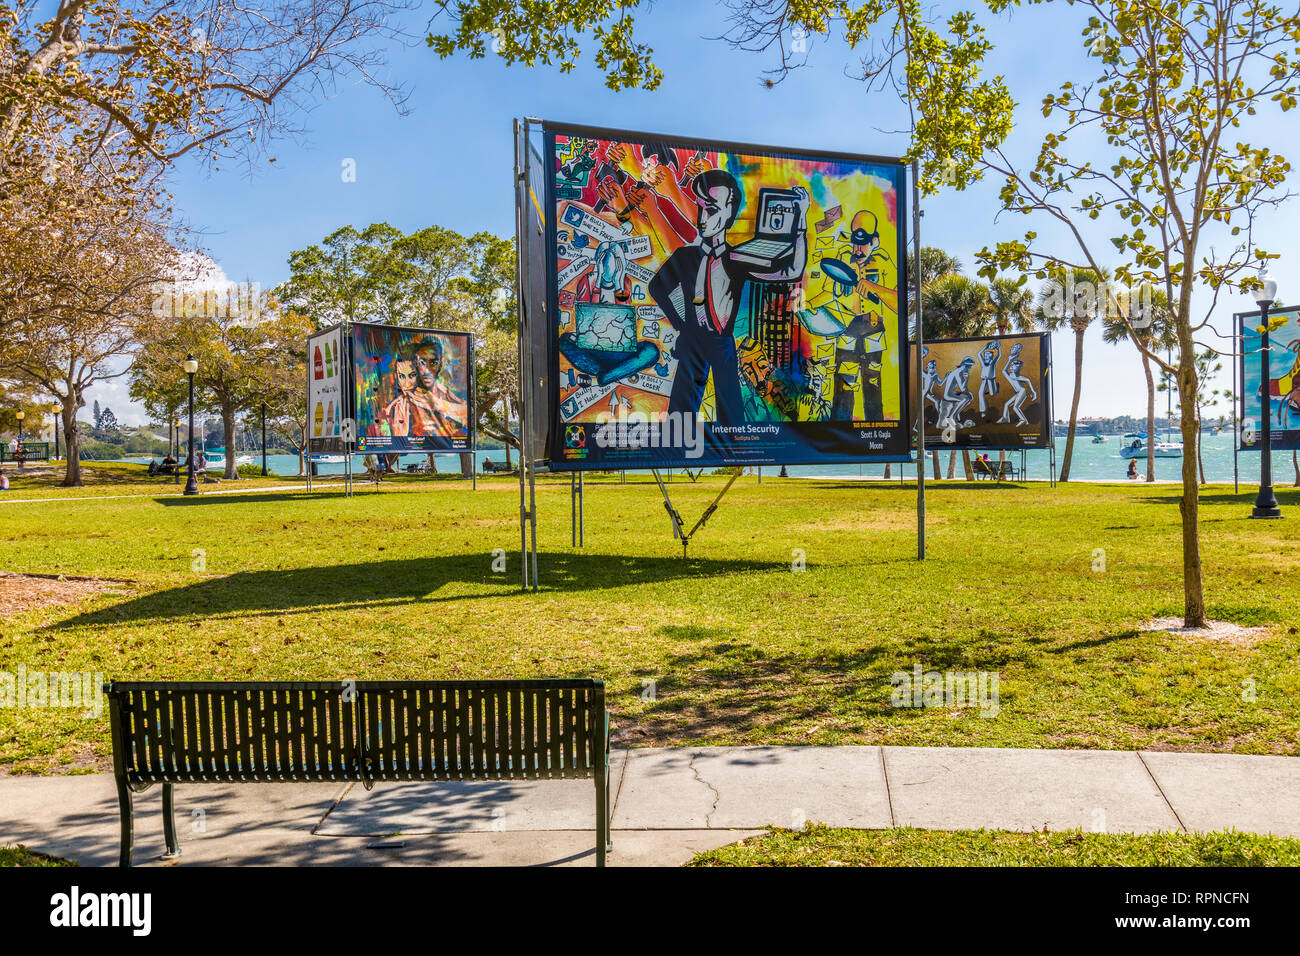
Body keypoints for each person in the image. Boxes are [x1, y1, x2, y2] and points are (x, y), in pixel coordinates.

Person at [649, 169, 809, 426]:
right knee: (679, 416)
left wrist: (800, 220)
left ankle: (733, 454)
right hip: (691, 341)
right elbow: (657, 287)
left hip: (722, 342)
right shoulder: (684, 257)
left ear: (728, 215)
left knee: (732, 415)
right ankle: (678, 450)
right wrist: (681, 323)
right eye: (700, 208)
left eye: (711, 210)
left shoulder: (736, 259)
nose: (702, 218)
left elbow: (792, 270)